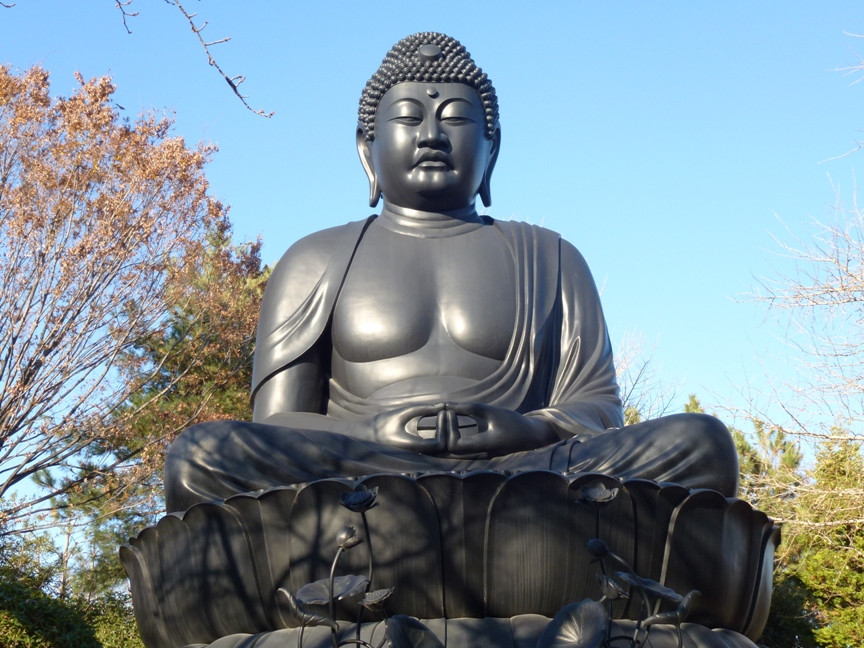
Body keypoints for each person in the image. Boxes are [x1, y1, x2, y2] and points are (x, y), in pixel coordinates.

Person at [164, 32, 738, 513]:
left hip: (525, 470)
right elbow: (276, 423)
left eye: (456, 118)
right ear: (367, 149)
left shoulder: (551, 257)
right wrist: (370, 433)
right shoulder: (315, 259)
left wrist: (524, 429)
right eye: (408, 118)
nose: (432, 135)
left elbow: (598, 409)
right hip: (360, 474)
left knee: (700, 444)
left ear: (493, 148)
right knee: (201, 457)